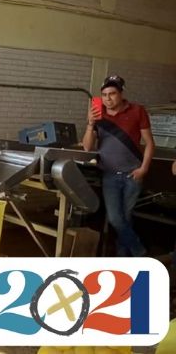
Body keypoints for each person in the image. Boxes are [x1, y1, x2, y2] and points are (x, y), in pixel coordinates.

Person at [82, 75, 154, 257]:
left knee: (125, 217)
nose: (108, 98)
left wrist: (144, 169)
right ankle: (139, 251)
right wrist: (90, 124)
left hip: (133, 174)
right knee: (115, 218)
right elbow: (87, 146)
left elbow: (149, 143)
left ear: (121, 94)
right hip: (109, 175)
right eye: (104, 94)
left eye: (112, 93)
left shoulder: (137, 111)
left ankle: (123, 256)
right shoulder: (99, 115)